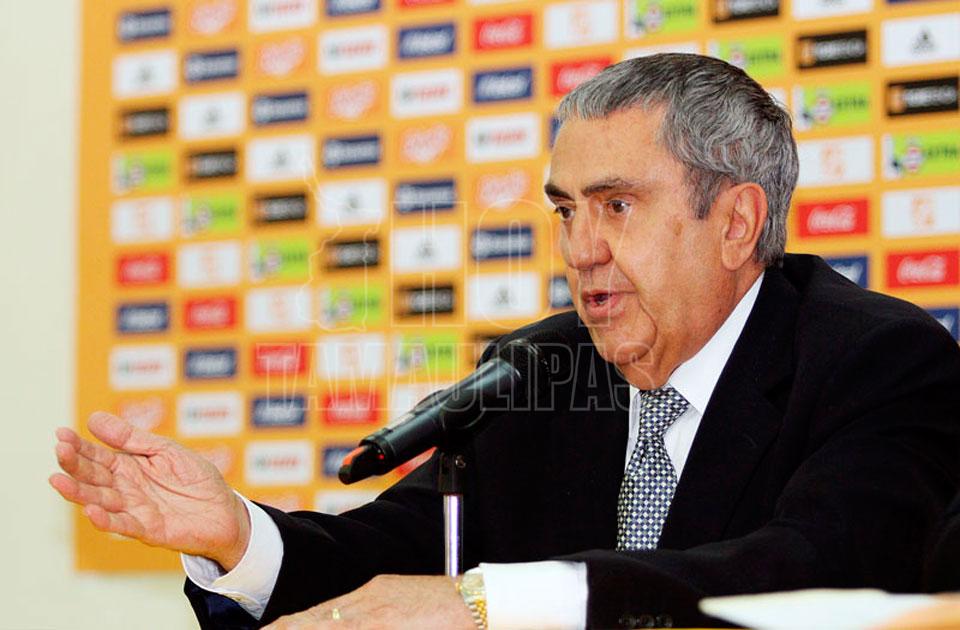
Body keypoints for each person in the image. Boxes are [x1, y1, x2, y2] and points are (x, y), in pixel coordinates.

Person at [51, 54, 960, 629]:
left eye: (617, 205)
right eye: (566, 211)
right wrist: (238, 535)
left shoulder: (877, 360)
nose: (580, 249)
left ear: (736, 223)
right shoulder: (545, 367)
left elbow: (819, 576)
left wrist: (491, 605)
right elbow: (403, 558)